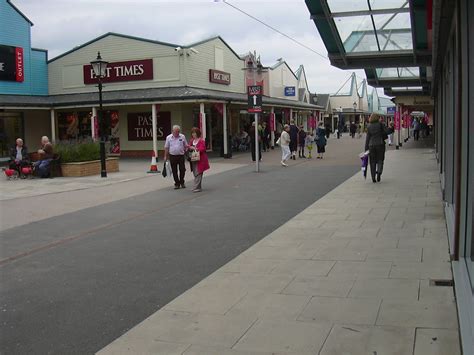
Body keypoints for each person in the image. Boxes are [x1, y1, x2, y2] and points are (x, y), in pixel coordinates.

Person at [365, 113, 388, 183]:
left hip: (371, 145)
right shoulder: (381, 125)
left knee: (372, 161)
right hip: (380, 144)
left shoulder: (369, 126)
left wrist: (366, 148)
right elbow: (385, 134)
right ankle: (379, 173)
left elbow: (367, 138)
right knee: (380, 159)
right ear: (377, 118)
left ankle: (373, 177)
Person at [164, 125, 188, 189]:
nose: (177, 133)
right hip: (172, 156)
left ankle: (182, 182)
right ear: (173, 131)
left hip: (181, 155)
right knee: (174, 170)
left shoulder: (182, 136)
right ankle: (177, 183)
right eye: (176, 131)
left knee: (182, 169)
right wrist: (165, 156)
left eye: (178, 131)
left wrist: (187, 153)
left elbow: (185, 145)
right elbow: (166, 147)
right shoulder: (168, 137)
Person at [188, 127, 209, 193]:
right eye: (192, 133)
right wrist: (190, 148)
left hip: (201, 159)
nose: (193, 134)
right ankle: (198, 187)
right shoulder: (192, 140)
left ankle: (196, 187)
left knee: (198, 172)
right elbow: (188, 147)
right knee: (195, 172)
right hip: (194, 158)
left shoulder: (201, 141)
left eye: (194, 133)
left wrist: (195, 148)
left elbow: (203, 149)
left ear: (198, 133)